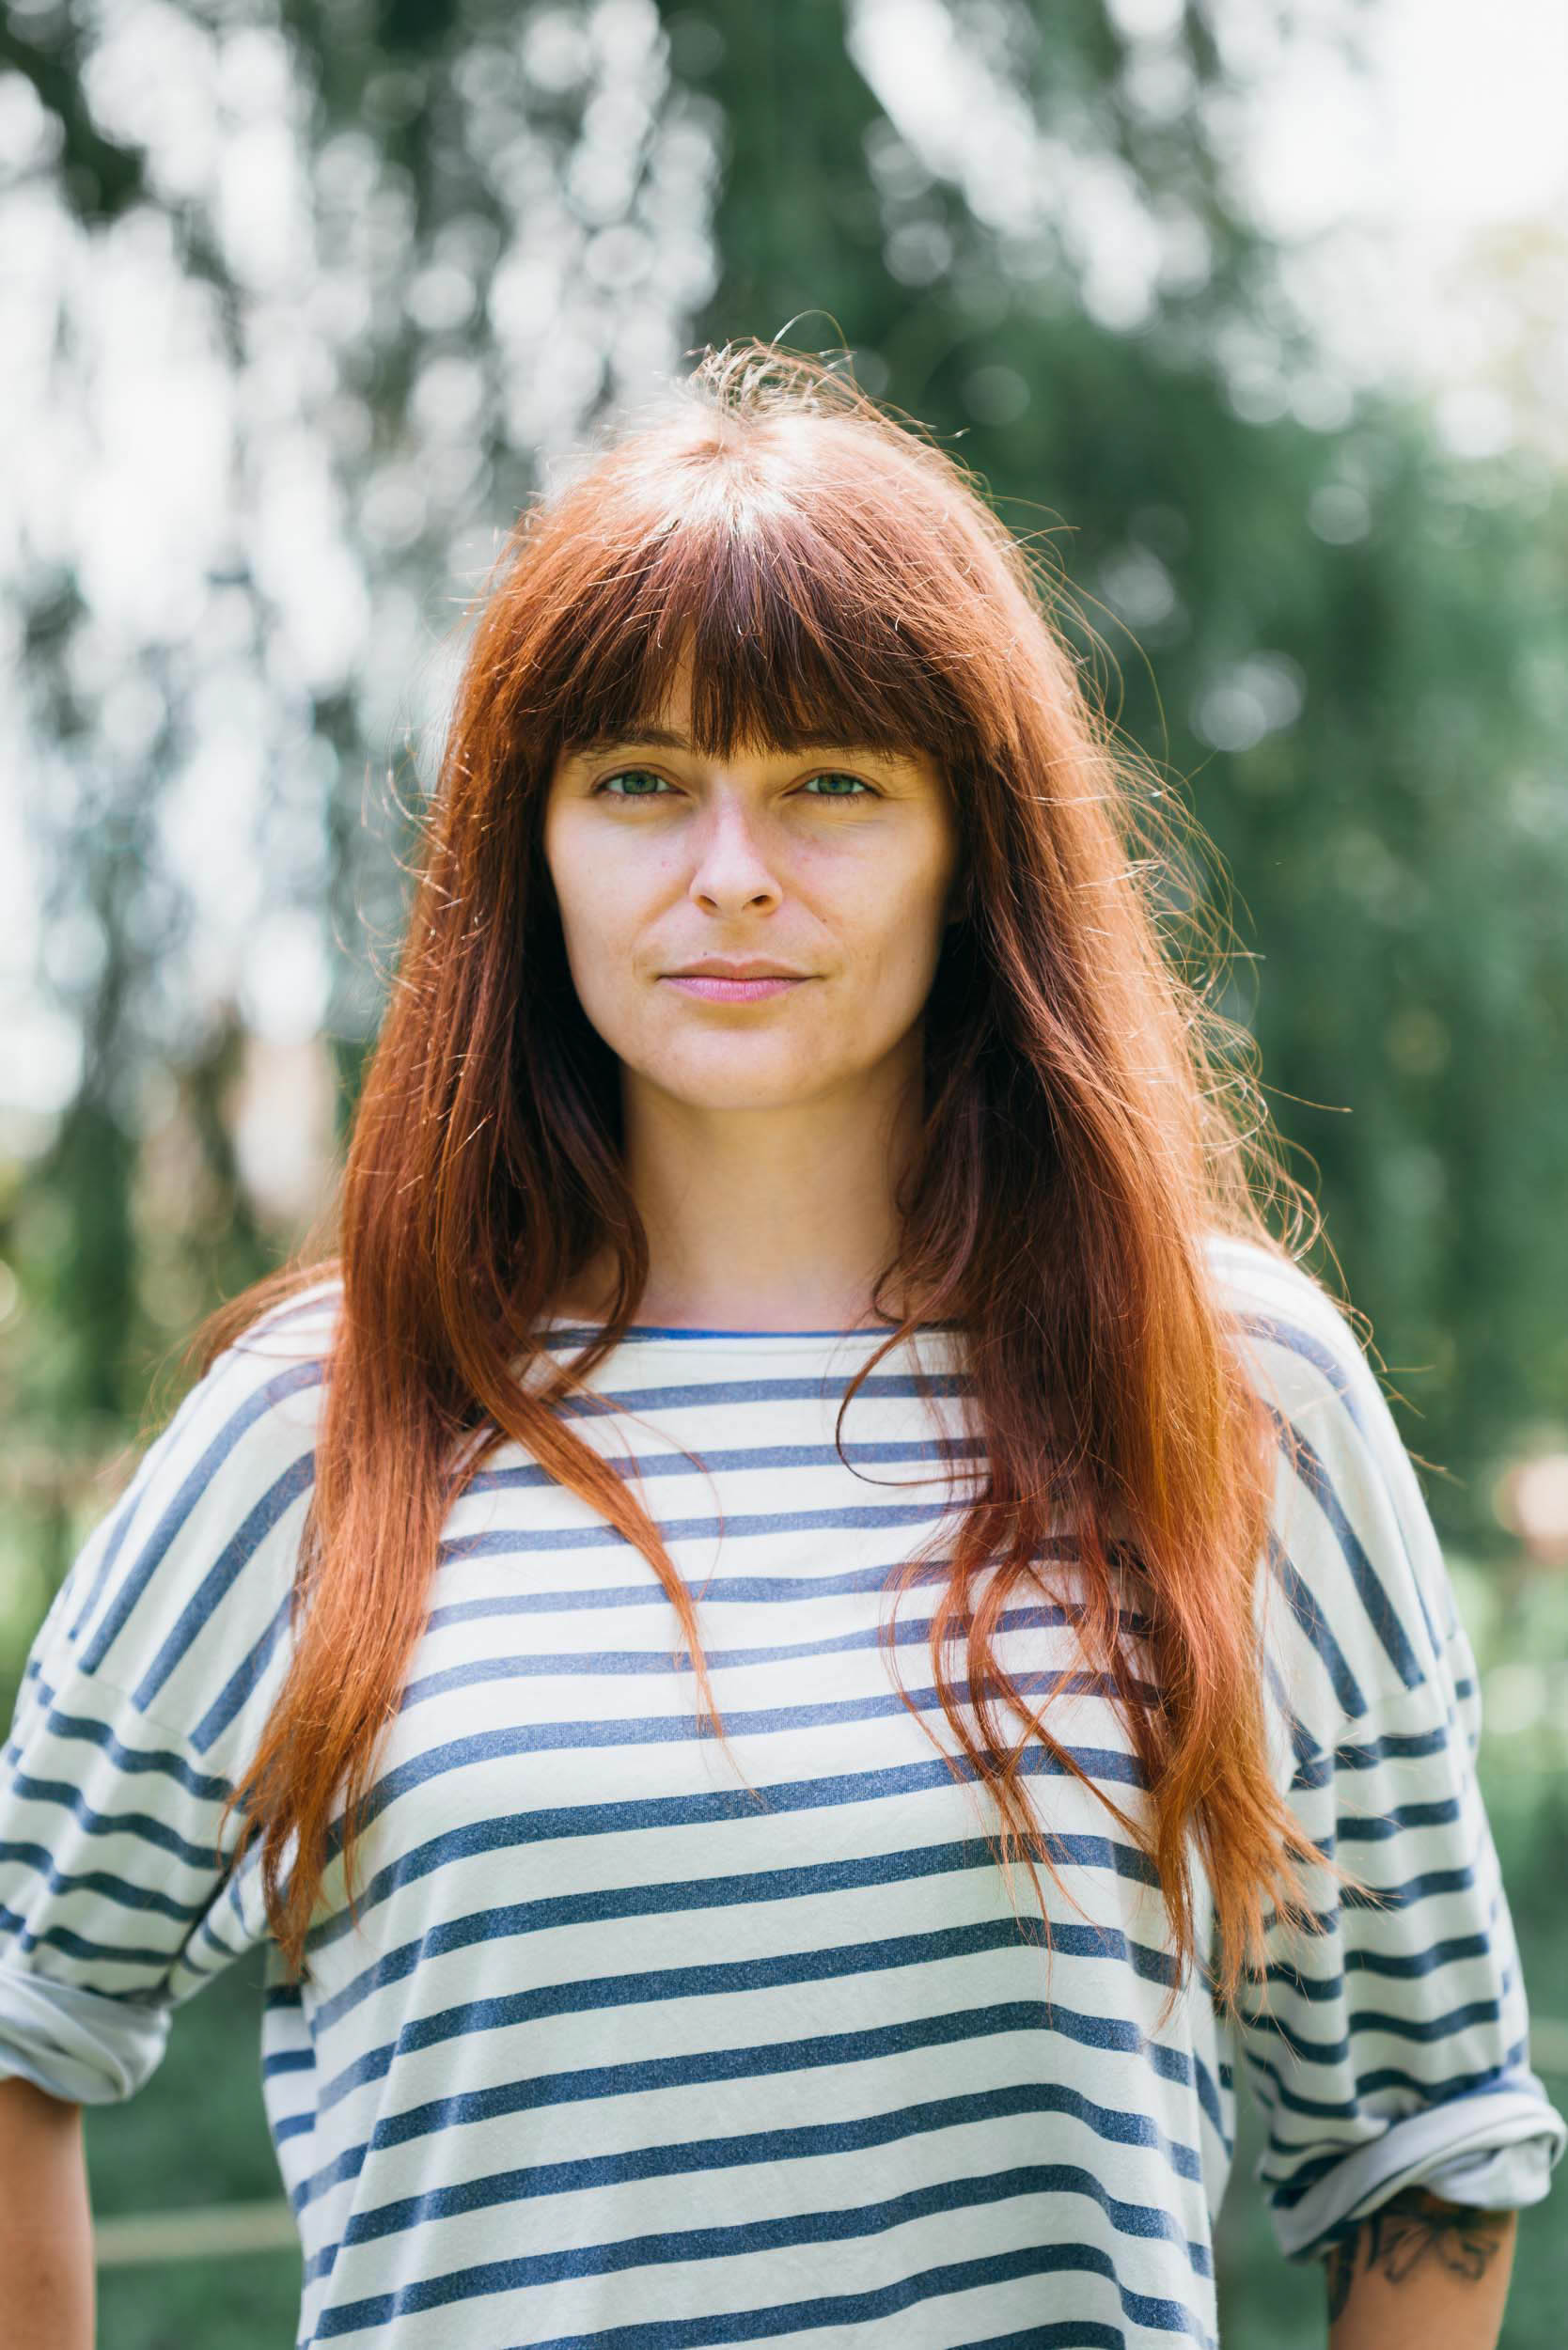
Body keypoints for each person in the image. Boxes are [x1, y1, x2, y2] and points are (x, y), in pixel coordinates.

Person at [1, 340, 1561, 2350]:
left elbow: (1428, 2138)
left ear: (969, 849)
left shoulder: (1232, 1393)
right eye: (639, 780)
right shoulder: (317, 1427)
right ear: (530, 849)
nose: (728, 864)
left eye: (831, 780)